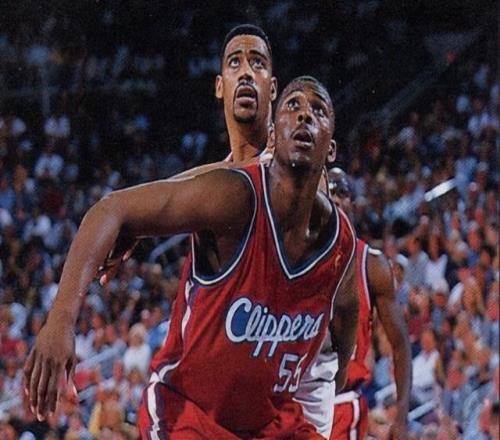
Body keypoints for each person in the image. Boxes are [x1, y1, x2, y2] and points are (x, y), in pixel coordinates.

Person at [24, 76, 360, 438]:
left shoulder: (339, 241)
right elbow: (111, 208)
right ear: (274, 137)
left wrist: (339, 371)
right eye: (293, 105)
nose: (305, 115)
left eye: (318, 109)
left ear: (331, 150)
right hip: (189, 416)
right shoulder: (235, 197)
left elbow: (346, 307)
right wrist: (61, 320)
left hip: (269, 424)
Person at [97, 23, 278, 284]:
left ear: (273, 88)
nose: (246, 73)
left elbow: (245, 176)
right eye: (235, 63)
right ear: (219, 87)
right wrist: (144, 215)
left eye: (258, 63)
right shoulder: (215, 183)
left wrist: (141, 212)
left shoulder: (294, 168)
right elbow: (225, 176)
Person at [315, 167, 412, 439]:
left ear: (352, 204)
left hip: (340, 404)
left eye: (342, 193)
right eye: (329, 193)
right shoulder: (295, 259)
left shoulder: (371, 265)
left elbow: (401, 344)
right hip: (297, 402)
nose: (335, 198)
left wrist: (401, 416)